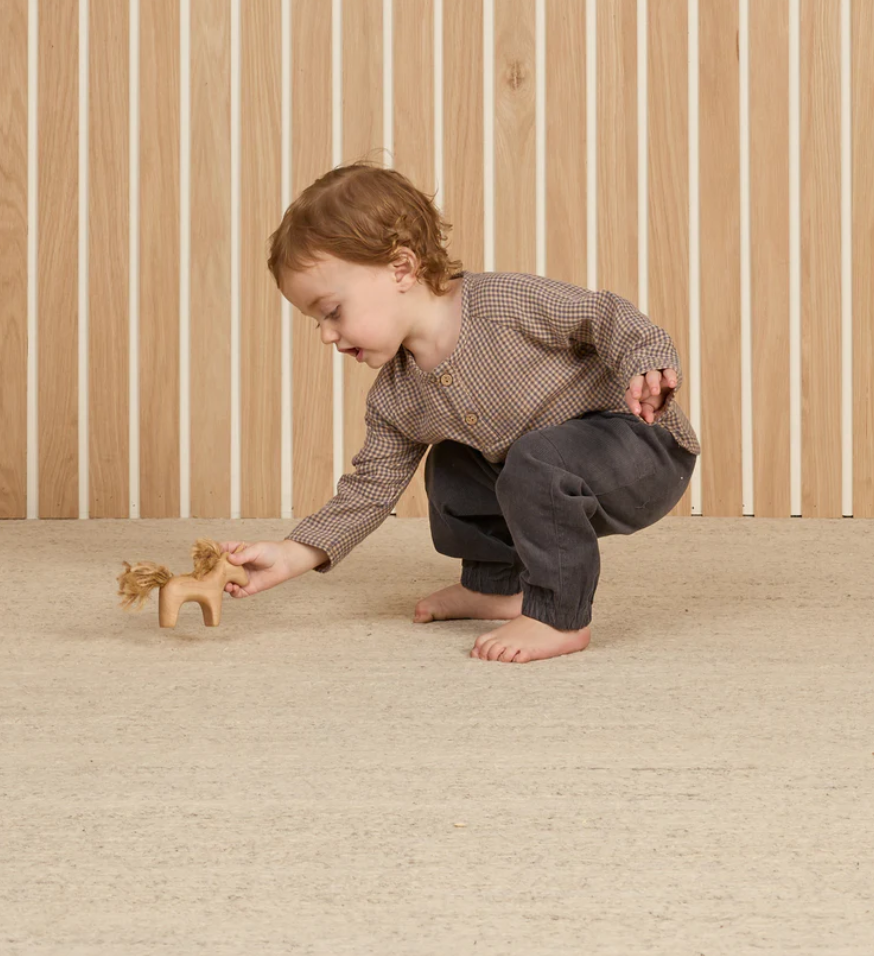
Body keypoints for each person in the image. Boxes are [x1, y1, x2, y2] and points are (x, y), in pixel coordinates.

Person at [219, 160, 699, 663]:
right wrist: (292, 553)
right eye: (316, 321)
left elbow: (603, 315)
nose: (327, 335)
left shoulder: (505, 303)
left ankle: (560, 616)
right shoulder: (397, 397)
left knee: (534, 458)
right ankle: (496, 587)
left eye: (333, 311)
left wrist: (646, 361)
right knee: (451, 464)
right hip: (548, 469)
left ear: (401, 269)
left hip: (640, 447)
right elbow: (371, 488)